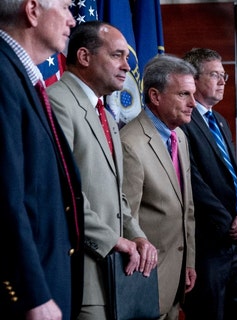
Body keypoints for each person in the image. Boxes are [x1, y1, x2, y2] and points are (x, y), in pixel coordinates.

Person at [46, 20, 158, 320]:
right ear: (84, 57)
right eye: (117, 55)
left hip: (117, 276)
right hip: (82, 278)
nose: (126, 65)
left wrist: (137, 237)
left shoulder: (106, 117)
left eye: (126, 57)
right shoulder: (58, 102)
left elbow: (116, 194)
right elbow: (62, 191)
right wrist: (111, 240)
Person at [0, 1, 84, 319]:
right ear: (33, 10)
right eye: (64, 7)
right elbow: (6, 197)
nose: (73, 20)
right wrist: (32, 293)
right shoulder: (3, 74)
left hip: (49, 282)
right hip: (25, 297)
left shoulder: (21, 75)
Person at [120, 54, 197, 320]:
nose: (193, 104)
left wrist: (188, 262)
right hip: (146, 281)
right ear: (155, 96)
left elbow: (186, 208)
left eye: (193, 94)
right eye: (184, 94)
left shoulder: (181, 137)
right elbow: (126, 217)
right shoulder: (130, 143)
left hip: (177, 279)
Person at [181, 48, 237, 320]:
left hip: (234, 243)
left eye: (224, 75)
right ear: (194, 79)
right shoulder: (185, 121)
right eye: (215, 75)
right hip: (207, 245)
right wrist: (228, 224)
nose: (223, 81)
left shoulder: (220, 121)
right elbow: (193, 181)